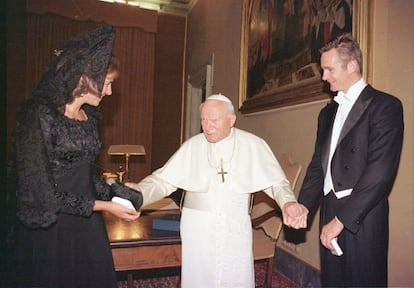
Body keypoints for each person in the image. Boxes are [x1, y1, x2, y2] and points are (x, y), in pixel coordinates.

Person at [6, 25, 141, 288]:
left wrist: (118, 190)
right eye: (108, 83)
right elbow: (41, 192)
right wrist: (105, 206)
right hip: (52, 232)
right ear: (85, 78)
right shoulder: (38, 116)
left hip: (87, 228)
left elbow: (86, 175)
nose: (110, 92)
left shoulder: (89, 118)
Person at [125, 94, 308, 288]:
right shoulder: (193, 146)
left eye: (214, 120)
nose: (207, 126)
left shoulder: (253, 145)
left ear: (231, 120)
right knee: (198, 279)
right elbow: (163, 181)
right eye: (203, 120)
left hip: (235, 225)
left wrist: (288, 202)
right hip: (198, 226)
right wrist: (140, 191)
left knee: (235, 277)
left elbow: (276, 183)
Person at [297, 33, 404, 287]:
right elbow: (317, 165)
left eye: (329, 69)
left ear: (352, 66)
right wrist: (304, 206)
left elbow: (380, 174)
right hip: (329, 209)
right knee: (333, 281)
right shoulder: (327, 113)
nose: (324, 77)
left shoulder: (386, 106)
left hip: (363, 215)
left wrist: (343, 220)